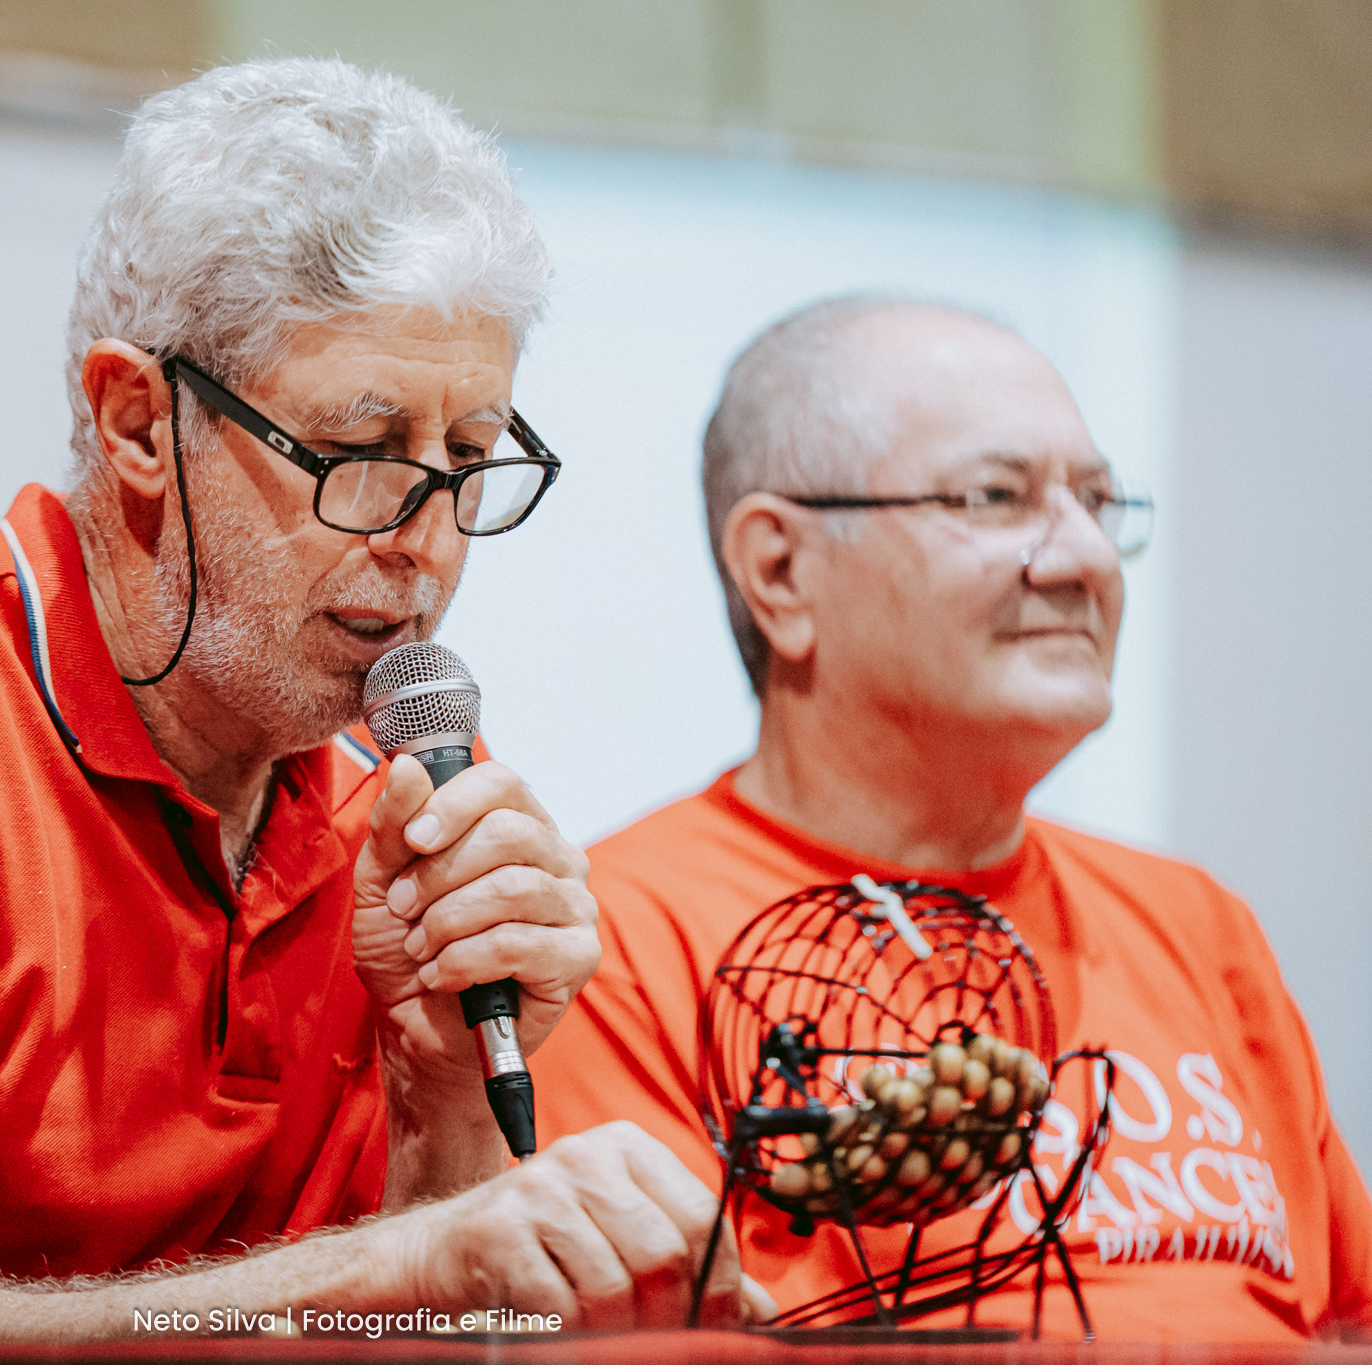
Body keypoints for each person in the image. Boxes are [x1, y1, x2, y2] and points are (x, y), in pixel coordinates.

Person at [0, 59, 771, 1341]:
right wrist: (392, 1271)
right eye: (359, 452)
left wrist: (442, 1097)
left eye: (464, 458)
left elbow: (404, 1329)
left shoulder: (392, 774)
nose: (427, 541)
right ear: (135, 423)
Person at [529, 296, 1372, 1339]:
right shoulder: (605, 945)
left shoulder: (1199, 926)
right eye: (995, 498)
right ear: (780, 571)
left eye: (1097, 501)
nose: (1084, 559)